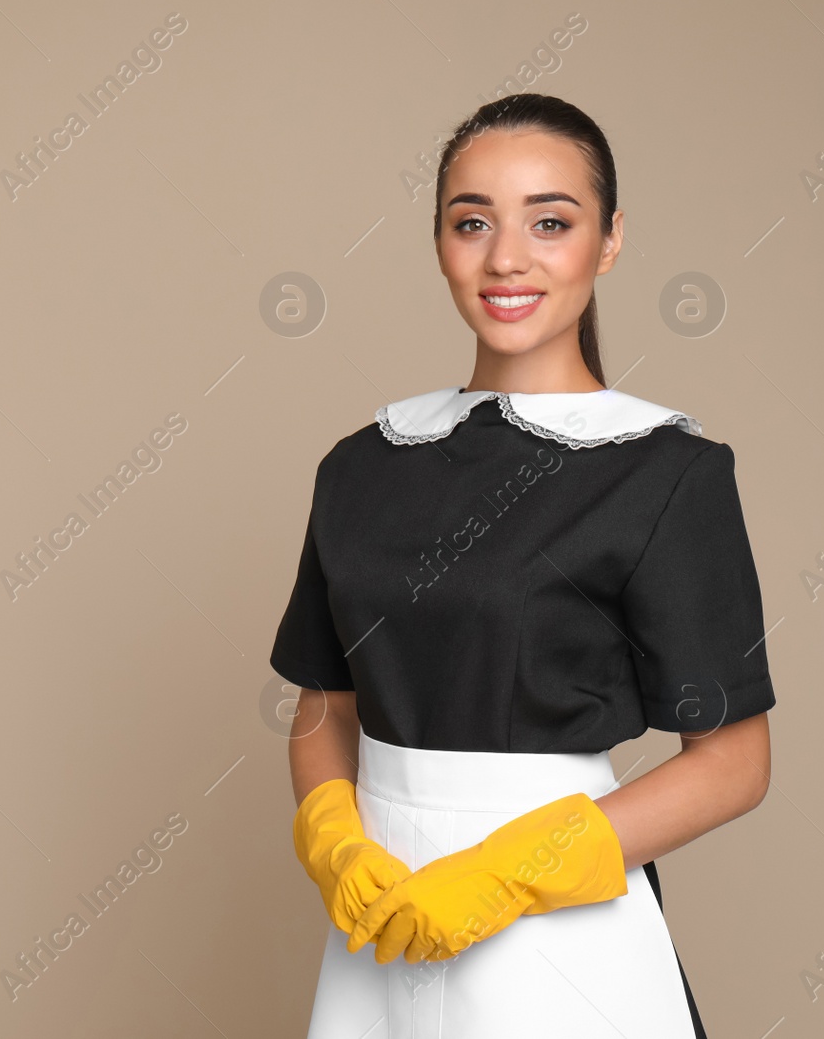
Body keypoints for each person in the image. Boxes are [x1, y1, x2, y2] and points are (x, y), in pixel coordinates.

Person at [273, 93, 775, 1038]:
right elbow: (323, 709)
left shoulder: (666, 471)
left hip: (563, 937)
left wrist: (509, 871)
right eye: (473, 222)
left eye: (552, 221)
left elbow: (735, 762)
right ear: (438, 242)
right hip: (378, 922)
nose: (508, 258)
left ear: (611, 239)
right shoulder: (360, 466)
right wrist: (336, 841)